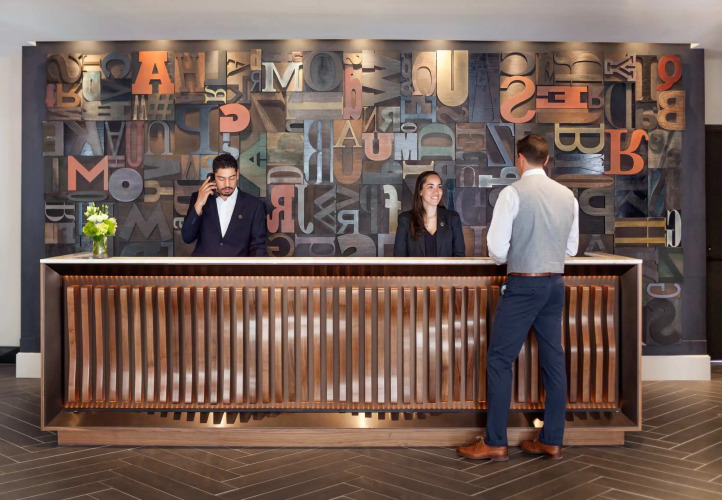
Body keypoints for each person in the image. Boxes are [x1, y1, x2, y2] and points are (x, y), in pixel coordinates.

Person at [457, 134, 579, 461]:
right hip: (555, 284)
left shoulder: (512, 193)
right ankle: (551, 439)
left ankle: (496, 441)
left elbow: (497, 249)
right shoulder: (567, 196)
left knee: (499, 360)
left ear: (520, 159)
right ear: (547, 160)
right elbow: (570, 249)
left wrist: (518, 253)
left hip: (524, 284)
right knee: (554, 362)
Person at [181, 153, 267, 257]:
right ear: (213, 176)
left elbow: (258, 247)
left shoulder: (254, 205)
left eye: (231, 178)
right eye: (221, 179)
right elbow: (187, 238)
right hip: (203, 266)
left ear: (237, 174)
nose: (227, 184)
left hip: (237, 267)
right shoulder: (198, 199)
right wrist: (199, 204)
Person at [393, 170, 465, 257]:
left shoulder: (453, 218)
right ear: (420, 191)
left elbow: (459, 257)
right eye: (430, 187)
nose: (436, 192)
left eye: (439, 187)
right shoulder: (405, 220)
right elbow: (399, 258)